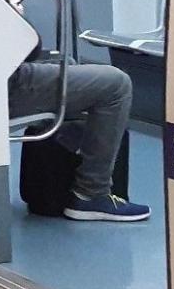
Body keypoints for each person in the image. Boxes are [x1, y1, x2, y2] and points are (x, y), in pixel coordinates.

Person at [9, 61, 151, 221]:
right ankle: (91, 192)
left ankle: (63, 151)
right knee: (117, 85)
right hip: (6, 86)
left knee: (67, 63)